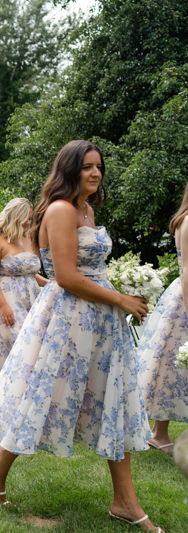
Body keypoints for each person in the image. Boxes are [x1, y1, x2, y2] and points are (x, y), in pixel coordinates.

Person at [0, 140, 162, 532]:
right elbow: (67, 277)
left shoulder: (88, 210)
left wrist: (119, 297)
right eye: (87, 167)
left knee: (113, 400)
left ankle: (124, 500)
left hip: (101, 320)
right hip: (68, 320)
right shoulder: (60, 210)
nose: (95, 173)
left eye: (99, 167)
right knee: (46, 396)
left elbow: (90, 272)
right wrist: (120, 298)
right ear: (69, 170)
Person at [0, 198, 47, 382]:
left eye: (30, 218)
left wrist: (52, 284)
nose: (29, 223)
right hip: (3, 299)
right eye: (26, 219)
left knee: (35, 338)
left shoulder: (29, 239)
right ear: (15, 218)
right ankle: (7, 381)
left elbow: (29, 272)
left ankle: (28, 381)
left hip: (30, 299)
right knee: (16, 338)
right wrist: (4, 305)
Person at [137, 181, 188, 453]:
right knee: (172, 365)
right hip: (185, 301)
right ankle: (158, 432)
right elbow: (187, 272)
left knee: (174, 366)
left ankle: (159, 432)